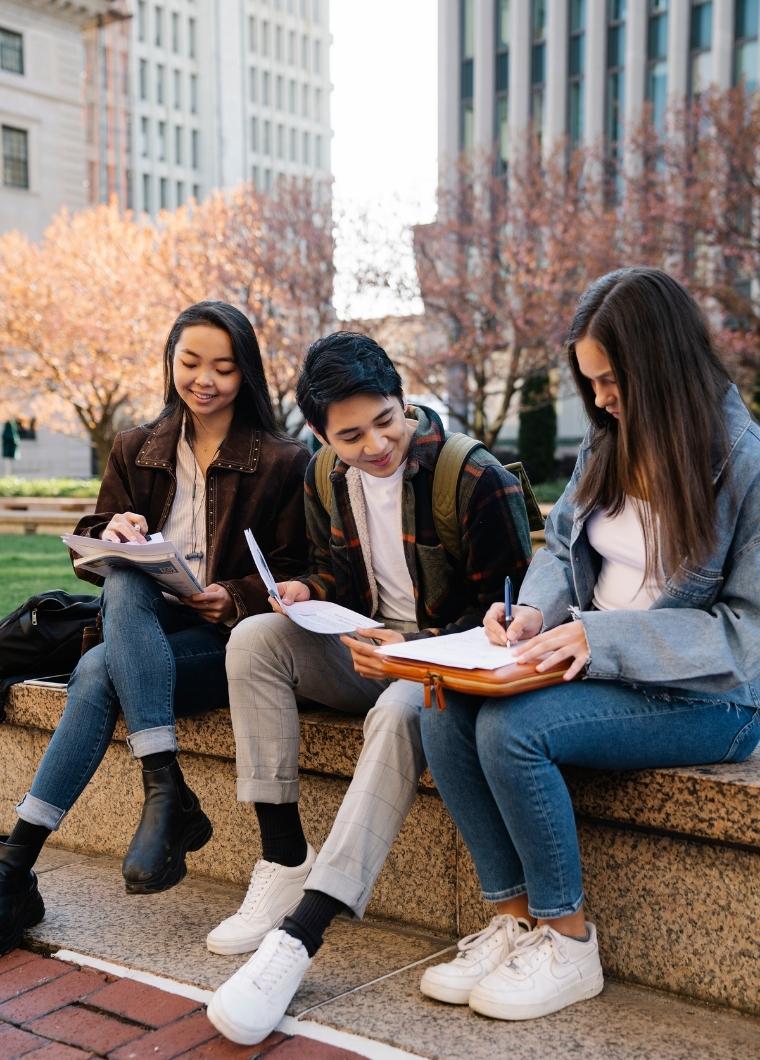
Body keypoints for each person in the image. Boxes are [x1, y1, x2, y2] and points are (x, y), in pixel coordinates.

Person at [415, 267, 760, 1023]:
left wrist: (597, 637)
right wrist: (534, 615)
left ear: (661, 364)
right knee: (437, 711)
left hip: (706, 697)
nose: (600, 398)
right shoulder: (608, 443)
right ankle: (513, 924)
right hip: (590, 660)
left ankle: (568, 943)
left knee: (512, 729)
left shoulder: (747, 463)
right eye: (590, 381)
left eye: (611, 380)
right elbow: (561, 546)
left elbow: (744, 638)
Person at [205, 332, 534, 1045]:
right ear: (322, 435)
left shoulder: (473, 477)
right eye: (349, 435)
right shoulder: (325, 477)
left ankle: (301, 936)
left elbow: (509, 621)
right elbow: (337, 576)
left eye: (387, 420)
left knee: (394, 709)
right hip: (365, 651)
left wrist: (409, 650)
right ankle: (285, 857)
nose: (376, 444)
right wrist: (305, 589)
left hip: (441, 670)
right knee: (254, 638)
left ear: (403, 397)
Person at [0, 301, 309, 956]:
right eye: (190, 362)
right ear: (170, 364)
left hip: (224, 643)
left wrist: (237, 596)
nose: (204, 379)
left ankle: (16, 864)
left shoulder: (283, 460)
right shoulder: (135, 447)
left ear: (245, 374)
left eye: (223, 367)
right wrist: (110, 531)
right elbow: (94, 546)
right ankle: (164, 788)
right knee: (127, 576)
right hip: (146, 627)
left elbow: (303, 568)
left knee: (95, 668)